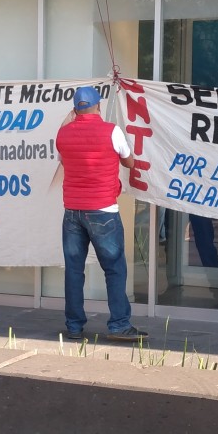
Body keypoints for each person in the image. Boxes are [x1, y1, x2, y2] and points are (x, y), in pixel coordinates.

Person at [56, 86, 148, 341]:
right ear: (98, 106)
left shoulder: (62, 134)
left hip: (72, 211)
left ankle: (74, 327)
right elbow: (129, 162)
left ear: (75, 109)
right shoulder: (112, 131)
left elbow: (65, 161)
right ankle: (119, 325)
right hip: (103, 210)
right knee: (114, 268)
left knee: (74, 270)